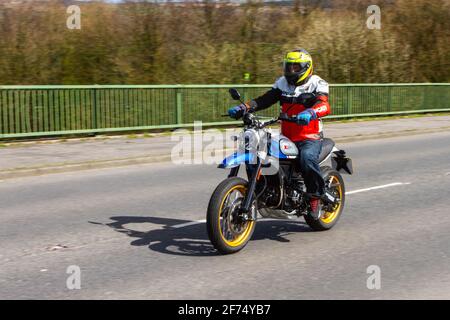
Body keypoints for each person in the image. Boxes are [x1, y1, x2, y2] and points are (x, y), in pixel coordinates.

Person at [227, 48, 331, 220]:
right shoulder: (282, 83)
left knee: (306, 158)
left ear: (306, 67)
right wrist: (244, 107)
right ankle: (263, 190)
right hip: (287, 135)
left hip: (310, 137)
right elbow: (265, 99)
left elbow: (324, 105)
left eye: (296, 68)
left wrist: (311, 113)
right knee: (260, 149)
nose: (291, 71)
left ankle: (315, 197)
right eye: (288, 67)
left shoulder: (317, 83)